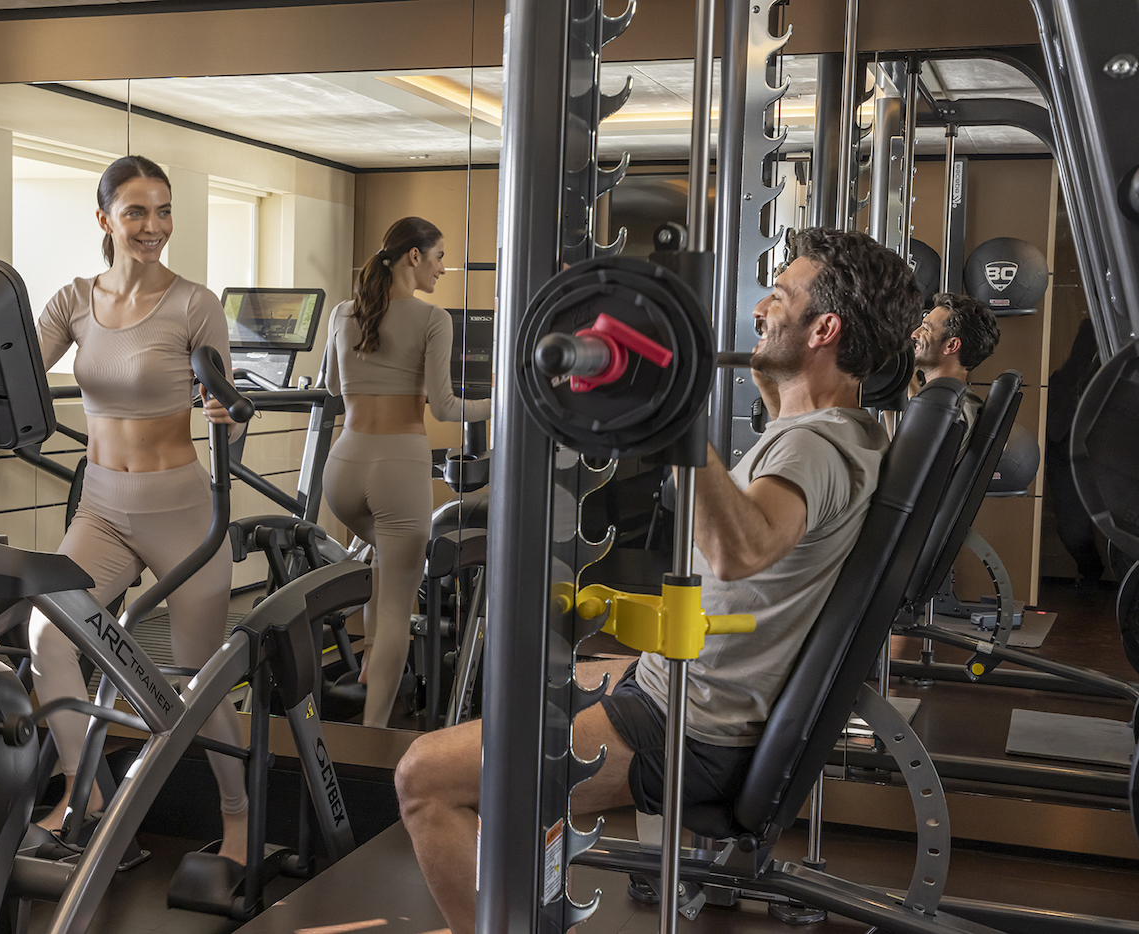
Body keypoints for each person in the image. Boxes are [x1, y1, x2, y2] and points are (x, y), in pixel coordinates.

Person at [394, 227, 920, 934]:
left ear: (824, 329)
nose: (761, 307)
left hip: (691, 727)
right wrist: (768, 383)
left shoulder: (814, 449)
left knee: (423, 777)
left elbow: (740, 550)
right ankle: (518, 881)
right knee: (532, 682)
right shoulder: (838, 429)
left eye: (780, 296)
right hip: (685, 690)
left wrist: (674, 410)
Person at [29, 155, 250, 863]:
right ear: (104, 219)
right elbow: (18, 377)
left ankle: (239, 818)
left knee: (197, 674)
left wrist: (226, 415)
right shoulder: (73, 301)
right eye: (136, 212)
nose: (153, 226)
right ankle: (83, 792)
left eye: (163, 210)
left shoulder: (194, 304)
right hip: (101, 508)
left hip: (180, 510)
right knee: (48, 635)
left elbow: (229, 412)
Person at [320, 216, 491, 728]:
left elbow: (332, 387)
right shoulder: (433, 319)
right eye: (439, 257)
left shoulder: (343, 312)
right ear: (414, 256)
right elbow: (445, 406)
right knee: (397, 603)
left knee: (383, 567)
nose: (442, 269)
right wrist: (503, 404)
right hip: (397, 467)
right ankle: (372, 735)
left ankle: (372, 659)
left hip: (342, 470)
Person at [1045, 318, 1105, 592]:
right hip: (1063, 446)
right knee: (1072, 527)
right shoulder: (1089, 331)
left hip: (1105, 447)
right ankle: (1091, 571)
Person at [911, 291, 1000, 448]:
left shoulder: (953, 409)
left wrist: (910, 384)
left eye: (925, 328)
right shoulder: (952, 403)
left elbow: (912, 455)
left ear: (951, 345)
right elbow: (898, 454)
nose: (914, 334)